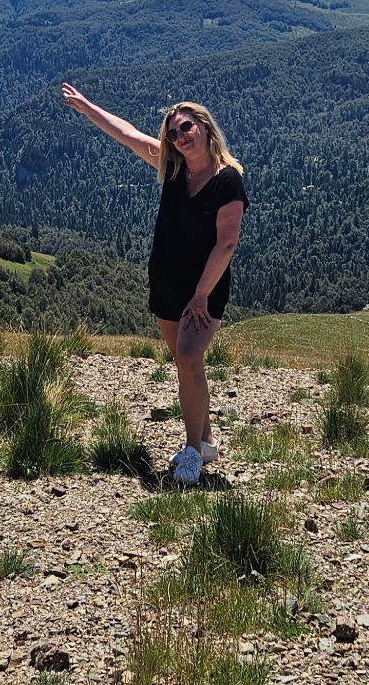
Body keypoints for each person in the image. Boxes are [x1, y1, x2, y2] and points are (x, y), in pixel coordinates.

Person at [62, 84, 245, 486]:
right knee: (185, 366)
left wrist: (200, 295)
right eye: (174, 133)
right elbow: (126, 134)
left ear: (205, 128)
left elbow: (227, 243)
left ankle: (192, 453)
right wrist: (88, 106)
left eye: (187, 127)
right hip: (165, 280)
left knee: (189, 360)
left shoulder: (228, 180)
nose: (181, 137)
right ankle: (207, 440)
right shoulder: (174, 166)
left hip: (204, 288)